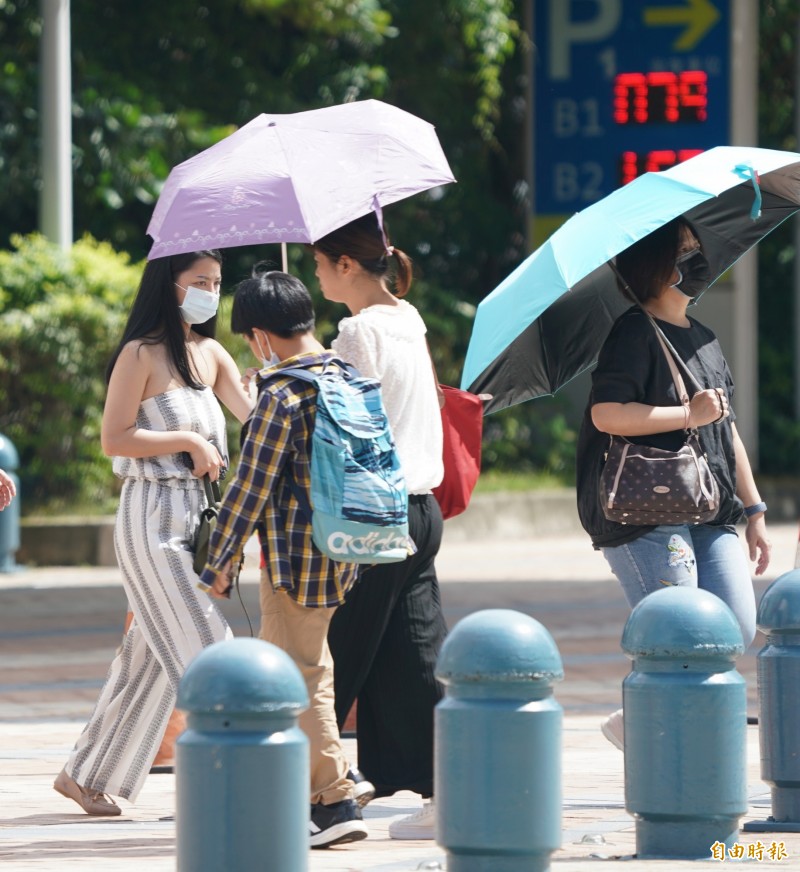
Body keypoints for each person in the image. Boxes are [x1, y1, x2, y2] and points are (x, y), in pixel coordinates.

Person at [54, 249, 252, 815]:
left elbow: (254, 416)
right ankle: (225, 781)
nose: (210, 292)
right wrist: (186, 442)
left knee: (149, 656)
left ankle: (85, 773)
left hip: (198, 520)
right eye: (199, 281)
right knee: (210, 648)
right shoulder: (139, 355)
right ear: (169, 285)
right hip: (149, 518)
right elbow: (114, 439)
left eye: (216, 282)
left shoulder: (211, 354)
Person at [575, 217, 771, 750]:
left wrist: (753, 512)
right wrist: (687, 412)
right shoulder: (633, 332)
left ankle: (636, 722)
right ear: (655, 268)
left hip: (713, 509)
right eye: (684, 252)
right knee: (681, 634)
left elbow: (725, 429)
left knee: (734, 626)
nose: (696, 260)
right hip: (646, 514)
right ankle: (671, 748)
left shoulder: (704, 337)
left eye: (694, 249)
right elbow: (606, 414)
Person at [200, 266, 368, 849]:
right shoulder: (342, 375)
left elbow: (250, 486)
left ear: (261, 335)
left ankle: (334, 800)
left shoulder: (282, 394)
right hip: (346, 547)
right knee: (311, 664)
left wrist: (219, 560)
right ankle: (327, 788)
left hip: (296, 558)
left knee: (302, 675)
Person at [313, 213, 446, 840]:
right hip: (423, 509)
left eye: (318, 263)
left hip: (374, 516)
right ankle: (446, 785)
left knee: (337, 648)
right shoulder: (409, 320)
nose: (314, 275)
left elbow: (347, 426)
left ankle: (314, 791)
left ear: (346, 265)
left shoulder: (360, 329)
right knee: (412, 654)